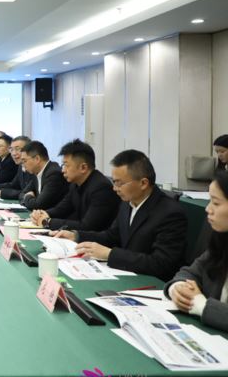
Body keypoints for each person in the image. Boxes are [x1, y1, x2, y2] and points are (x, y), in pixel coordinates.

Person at [53, 150, 187, 281]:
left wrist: (110, 254)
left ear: (143, 183)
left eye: (119, 183)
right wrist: (76, 236)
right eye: (114, 182)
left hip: (152, 284)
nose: (114, 188)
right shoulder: (127, 202)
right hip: (127, 274)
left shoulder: (170, 213)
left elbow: (160, 263)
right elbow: (112, 236)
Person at [165, 171, 228, 332]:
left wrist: (201, 305)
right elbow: (189, 272)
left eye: (215, 203)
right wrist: (178, 289)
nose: (208, 209)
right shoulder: (221, 242)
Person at [30, 139, 119, 231]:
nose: (63, 170)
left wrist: (48, 222)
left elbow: (87, 226)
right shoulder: (75, 184)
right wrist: (42, 214)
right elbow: (62, 208)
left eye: (66, 165)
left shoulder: (101, 188)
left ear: (83, 167)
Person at [19, 140, 68, 210]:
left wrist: (28, 197)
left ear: (37, 159)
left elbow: (39, 205)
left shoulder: (54, 174)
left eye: (24, 161)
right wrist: (29, 198)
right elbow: (22, 194)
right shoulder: (36, 172)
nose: (23, 165)